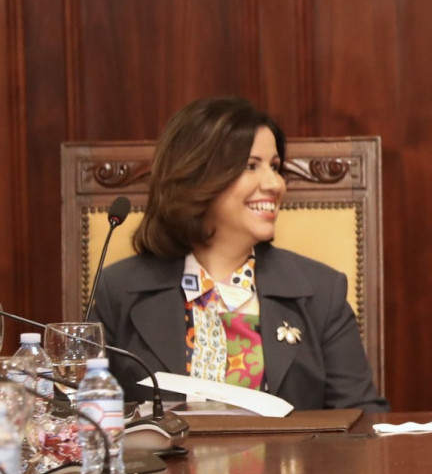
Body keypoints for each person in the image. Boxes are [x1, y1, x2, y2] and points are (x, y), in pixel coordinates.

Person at [91, 97, 387, 411]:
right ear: (196, 176)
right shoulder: (119, 290)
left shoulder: (321, 291)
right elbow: (82, 415)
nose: (275, 184)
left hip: (292, 461)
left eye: (275, 167)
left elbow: (363, 421)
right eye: (251, 166)